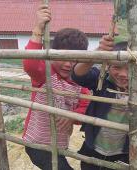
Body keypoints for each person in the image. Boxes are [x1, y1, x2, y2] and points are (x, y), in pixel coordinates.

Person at [71, 35, 137, 170]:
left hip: (125, 153)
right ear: (108, 66)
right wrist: (98, 52)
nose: (123, 74)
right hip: (93, 149)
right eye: (117, 67)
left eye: (130, 68)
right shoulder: (102, 80)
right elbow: (77, 75)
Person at [22, 4, 90, 170]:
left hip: (60, 145)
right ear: (52, 54)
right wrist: (38, 28)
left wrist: (72, 116)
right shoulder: (45, 74)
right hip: (37, 144)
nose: (68, 64)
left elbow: (84, 108)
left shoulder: (81, 85)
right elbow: (30, 63)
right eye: (63, 57)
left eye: (74, 59)